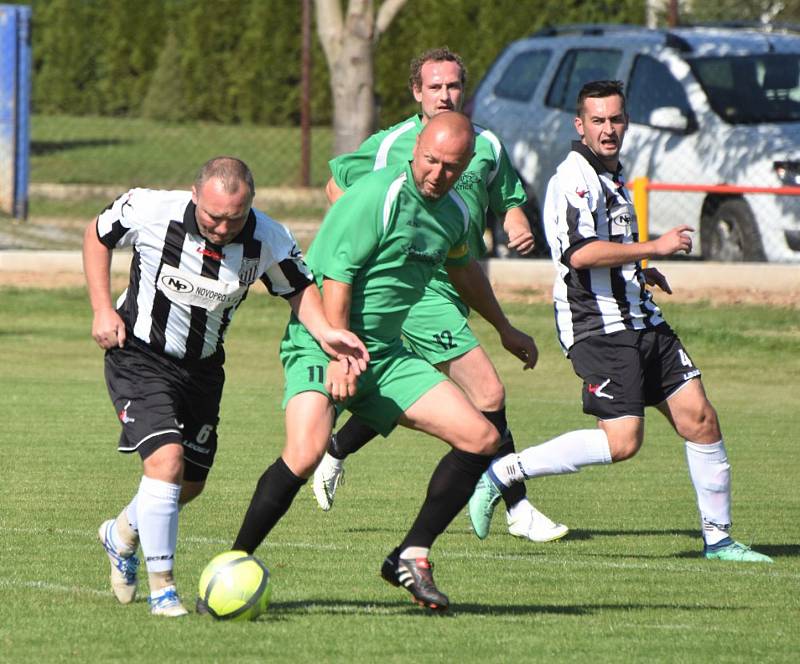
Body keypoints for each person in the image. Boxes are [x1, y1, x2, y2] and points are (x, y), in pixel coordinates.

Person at [230, 112, 540, 611]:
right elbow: (337, 275)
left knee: (481, 436)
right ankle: (235, 560)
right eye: (431, 161)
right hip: (323, 341)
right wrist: (338, 352)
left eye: (451, 167)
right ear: (416, 149)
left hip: (387, 354)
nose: (437, 174)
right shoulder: (378, 195)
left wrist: (504, 328)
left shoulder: (457, 212)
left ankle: (410, 555)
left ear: (466, 168)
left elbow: (465, 270)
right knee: (306, 452)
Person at [468, 80, 773, 564]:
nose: (609, 129)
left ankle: (719, 541)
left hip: (641, 316)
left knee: (701, 419)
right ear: (580, 125)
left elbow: (611, 248)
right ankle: (504, 472)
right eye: (599, 121)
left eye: (616, 119)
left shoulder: (611, 173)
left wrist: (641, 269)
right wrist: (653, 247)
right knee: (623, 440)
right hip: (598, 324)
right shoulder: (574, 178)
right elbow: (580, 253)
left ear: (625, 122)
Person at [84, 156, 369, 617]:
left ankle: (120, 536)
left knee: (188, 486)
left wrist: (326, 333)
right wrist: (101, 307)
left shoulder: (269, 238)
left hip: (203, 370)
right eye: (213, 216)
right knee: (166, 462)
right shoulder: (151, 209)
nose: (222, 227)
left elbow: (299, 290)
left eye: (234, 217)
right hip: (137, 353)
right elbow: (97, 236)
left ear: (250, 205)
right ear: (195, 196)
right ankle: (164, 590)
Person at [313, 46, 568, 543]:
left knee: (418, 389)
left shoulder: (485, 143)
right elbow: (336, 187)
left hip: (458, 282)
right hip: (420, 289)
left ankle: (336, 449)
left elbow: (507, 196)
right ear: (417, 92)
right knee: (488, 392)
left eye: (453, 86)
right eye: (435, 87)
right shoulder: (392, 145)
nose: (445, 95)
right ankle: (515, 503)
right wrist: (383, 241)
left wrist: (516, 220)